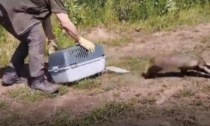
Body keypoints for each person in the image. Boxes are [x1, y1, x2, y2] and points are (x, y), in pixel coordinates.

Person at [0, 0, 96, 93]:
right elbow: (65, 23)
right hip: (11, 8)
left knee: (30, 37)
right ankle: (37, 80)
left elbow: (44, 13)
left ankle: (11, 74)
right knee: (36, 37)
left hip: (6, 7)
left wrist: (50, 37)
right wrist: (80, 39)